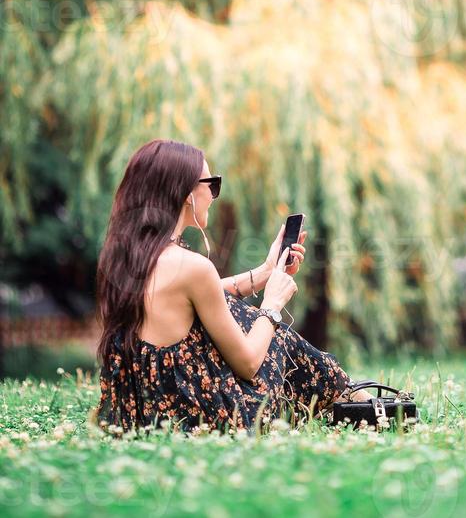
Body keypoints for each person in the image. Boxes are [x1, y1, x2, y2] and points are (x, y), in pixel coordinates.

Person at [91, 138, 369, 436]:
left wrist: (264, 272)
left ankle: (358, 402)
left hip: (141, 414)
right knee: (281, 338)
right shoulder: (192, 268)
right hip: (203, 419)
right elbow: (248, 363)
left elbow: (201, 297)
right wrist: (272, 305)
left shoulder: (130, 259)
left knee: (235, 309)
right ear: (186, 193)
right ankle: (364, 406)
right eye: (211, 184)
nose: (213, 195)